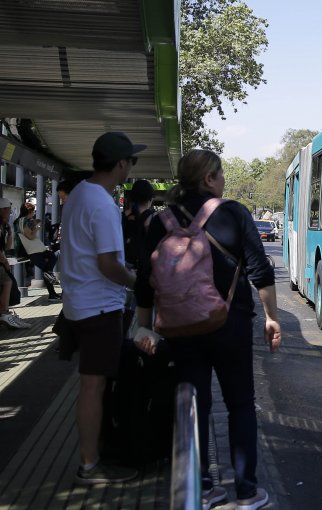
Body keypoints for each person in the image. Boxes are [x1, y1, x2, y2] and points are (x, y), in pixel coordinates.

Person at [134, 149, 281, 510]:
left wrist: (143, 330)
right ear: (208, 178)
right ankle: (247, 491)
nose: (224, 179)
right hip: (229, 324)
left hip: (179, 329)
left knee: (193, 405)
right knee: (241, 405)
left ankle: (203, 487)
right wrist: (270, 317)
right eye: (221, 173)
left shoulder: (158, 221)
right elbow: (260, 270)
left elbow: (143, 282)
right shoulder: (231, 213)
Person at [60, 131, 143, 484]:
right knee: (93, 387)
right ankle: (90, 464)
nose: (131, 170)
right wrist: (138, 281)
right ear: (121, 164)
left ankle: (94, 454)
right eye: (131, 162)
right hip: (99, 308)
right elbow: (109, 264)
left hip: (79, 303)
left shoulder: (79, 193)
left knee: (92, 385)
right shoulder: (103, 204)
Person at [16, 202, 61, 301]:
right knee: (49, 266)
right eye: (33, 211)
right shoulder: (22, 221)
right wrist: (37, 228)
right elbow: (30, 236)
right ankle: (52, 294)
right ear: (29, 211)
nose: (34, 213)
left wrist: (34, 224)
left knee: (49, 266)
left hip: (37, 249)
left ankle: (52, 293)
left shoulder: (25, 220)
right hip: (33, 251)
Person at [0, 198, 31, 329]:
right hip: (1, 261)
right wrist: (5, 262)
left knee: (7, 282)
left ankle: (5, 313)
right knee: (7, 282)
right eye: (7, 210)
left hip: (2, 260)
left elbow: (6, 247)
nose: (9, 212)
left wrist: (10, 232)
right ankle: (4, 313)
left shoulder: (4, 226)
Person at [122, 179, 155, 270]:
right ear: (150, 199)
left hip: (123, 264)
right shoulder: (153, 218)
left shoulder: (123, 216)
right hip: (144, 267)